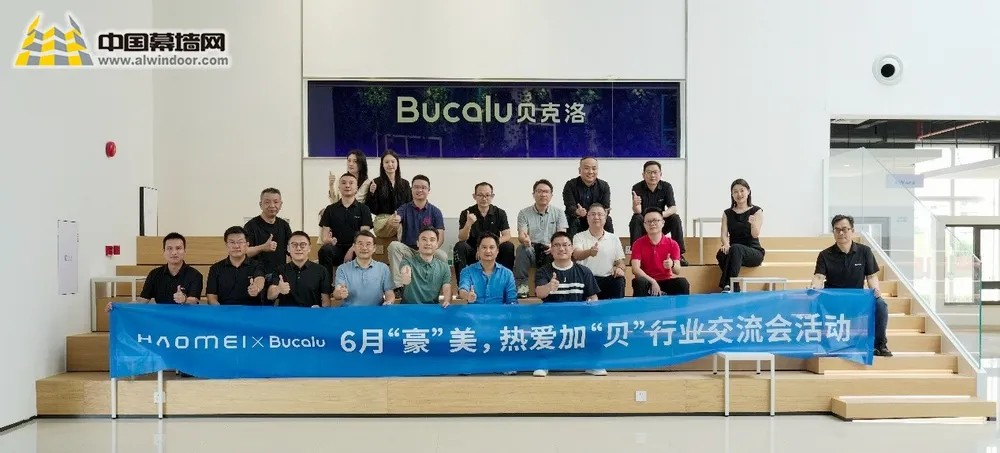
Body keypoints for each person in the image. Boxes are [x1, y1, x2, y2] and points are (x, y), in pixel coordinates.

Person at [809, 215, 892, 357]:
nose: (841, 233)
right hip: (833, 300)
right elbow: (819, 277)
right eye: (837, 230)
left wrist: (875, 289)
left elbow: (871, 276)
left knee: (880, 304)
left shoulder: (865, 251)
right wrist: (814, 288)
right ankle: (825, 344)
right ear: (833, 232)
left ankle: (879, 345)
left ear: (852, 231)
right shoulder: (824, 255)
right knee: (814, 302)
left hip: (857, 299)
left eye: (844, 229)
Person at [532, 231, 603, 378]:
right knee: (539, 325)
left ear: (572, 249)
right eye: (556, 245)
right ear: (551, 250)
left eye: (565, 245)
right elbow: (539, 293)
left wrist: (592, 304)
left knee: (596, 324)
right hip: (552, 320)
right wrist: (549, 287)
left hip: (578, 320)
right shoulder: (544, 271)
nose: (561, 248)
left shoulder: (584, 271)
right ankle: (543, 363)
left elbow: (593, 296)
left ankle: (592, 363)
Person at [104, 232, 202, 312]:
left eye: (178, 248)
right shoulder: (154, 274)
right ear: (163, 251)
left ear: (185, 251)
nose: (174, 252)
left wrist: (184, 299)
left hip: (185, 321)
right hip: (161, 320)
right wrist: (118, 306)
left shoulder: (195, 275)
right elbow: (142, 301)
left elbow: (194, 301)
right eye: (169, 248)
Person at [387, 175, 448, 293]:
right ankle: (399, 287)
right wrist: (396, 219)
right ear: (411, 189)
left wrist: (430, 250)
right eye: (416, 187)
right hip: (409, 251)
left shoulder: (435, 211)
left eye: (423, 187)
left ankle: (436, 288)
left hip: (428, 250)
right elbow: (398, 216)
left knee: (443, 256)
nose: (420, 190)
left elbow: (440, 236)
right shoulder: (404, 208)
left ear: (428, 190)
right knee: (394, 246)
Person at [514, 179, 569, 297]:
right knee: (522, 249)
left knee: (556, 250)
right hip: (532, 248)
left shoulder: (559, 213)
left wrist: (552, 245)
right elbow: (522, 234)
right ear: (533, 194)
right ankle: (522, 287)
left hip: (549, 248)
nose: (543, 194)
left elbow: (561, 236)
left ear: (551, 195)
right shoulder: (524, 213)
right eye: (539, 191)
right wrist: (524, 239)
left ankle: (548, 287)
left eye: (546, 192)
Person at [629, 161, 688, 266]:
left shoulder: (666, 187)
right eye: (649, 172)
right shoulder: (637, 188)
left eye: (655, 172)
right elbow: (638, 211)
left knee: (675, 218)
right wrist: (635, 205)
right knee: (636, 218)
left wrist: (660, 216)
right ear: (643, 175)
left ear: (660, 174)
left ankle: (678, 256)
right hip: (645, 224)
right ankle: (636, 256)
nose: (652, 175)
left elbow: (673, 208)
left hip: (660, 223)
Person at [453, 182, 515, 278]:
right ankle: (463, 284)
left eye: (487, 195)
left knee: (508, 246)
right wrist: (468, 223)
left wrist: (489, 247)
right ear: (474, 196)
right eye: (480, 195)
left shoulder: (500, 213)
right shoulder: (466, 213)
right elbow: (462, 238)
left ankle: (505, 280)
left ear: (492, 196)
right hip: (474, 252)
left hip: (492, 251)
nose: (484, 198)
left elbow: (507, 235)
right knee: (460, 246)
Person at [318, 172, 373, 279]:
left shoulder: (364, 209)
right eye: (343, 183)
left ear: (356, 187)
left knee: (362, 250)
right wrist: (329, 240)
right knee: (324, 251)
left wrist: (352, 249)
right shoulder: (330, 209)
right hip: (336, 248)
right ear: (339, 187)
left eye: (351, 183)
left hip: (356, 248)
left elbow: (364, 237)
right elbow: (324, 237)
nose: (347, 185)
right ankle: (326, 286)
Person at [717, 179, 765, 293]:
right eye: (735, 191)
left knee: (736, 248)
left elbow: (755, 234)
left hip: (753, 251)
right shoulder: (727, 213)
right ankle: (735, 287)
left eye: (742, 190)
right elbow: (724, 234)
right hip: (734, 251)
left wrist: (753, 224)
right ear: (732, 194)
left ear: (748, 191)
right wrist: (726, 244)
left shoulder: (756, 211)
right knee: (721, 254)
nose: (739, 194)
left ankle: (727, 285)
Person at [630, 208, 691, 297]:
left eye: (655, 220)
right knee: (639, 282)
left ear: (663, 223)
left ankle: (681, 307)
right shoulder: (638, 244)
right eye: (648, 221)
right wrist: (652, 281)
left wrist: (672, 264)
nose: (652, 224)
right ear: (644, 225)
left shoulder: (673, 244)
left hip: (665, 281)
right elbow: (635, 269)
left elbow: (677, 271)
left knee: (682, 283)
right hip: (647, 281)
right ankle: (641, 306)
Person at [572, 204, 627, 300]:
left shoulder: (613, 238)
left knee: (619, 280)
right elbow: (576, 255)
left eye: (600, 214)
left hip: (606, 278)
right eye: (593, 214)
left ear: (605, 217)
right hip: (586, 279)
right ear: (587, 217)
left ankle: (616, 308)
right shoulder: (579, 236)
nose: (596, 217)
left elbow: (620, 262)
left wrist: (620, 268)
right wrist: (589, 252)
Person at [267, 231, 331, 308]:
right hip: (286, 314)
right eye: (294, 245)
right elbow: (270, 296)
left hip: (311, 314)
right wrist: (278, 289)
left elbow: (326, 301)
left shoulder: (321, 270)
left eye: (303, 245)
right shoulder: (280, 270)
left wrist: (321, 311)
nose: (298, 248)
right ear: (288, 248)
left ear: (309, 248)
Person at [333, 230, 396, 307]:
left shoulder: (383, 268)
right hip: (350, 312)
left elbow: (389, 292)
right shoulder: (342, 269)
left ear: (374, 248)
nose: (364, 248)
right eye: (360, 244)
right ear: (354, 247)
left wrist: (389, 301)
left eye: (368, 244)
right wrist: (339, 293)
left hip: (376, 311)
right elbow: (337, 292)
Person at [206, 226, 267, 305]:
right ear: (226, 245)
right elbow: (211, 297)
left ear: (247, 244)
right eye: (232, 242)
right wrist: (220, 311)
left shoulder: (257, 265)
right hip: (224, 310)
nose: (236, 246)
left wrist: (256, 288)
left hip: (251, 310)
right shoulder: (216, 268)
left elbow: (260, 279)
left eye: (240, 242)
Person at [458, 233, 518, 305]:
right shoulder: (467, 271)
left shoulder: (507, 274)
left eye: (491, 247)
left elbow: (512, 300)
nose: (488, 251)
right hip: (475, 311)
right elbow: (463, 289)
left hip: (498, 311)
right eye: (484, 247)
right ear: (478, 250)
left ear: (497, 251)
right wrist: (467, 295)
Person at [244, 187, 294, 275]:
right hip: (256, 274)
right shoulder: (250, 226)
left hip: (279, 274)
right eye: (267, 202)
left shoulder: (284, 225)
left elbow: (290, 250)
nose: (272, 205)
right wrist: (263, 247)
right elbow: (244, 252)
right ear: (260, 204)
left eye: (276, 202)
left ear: (281, 204)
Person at [400, 227, 453, 306]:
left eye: (432, 240)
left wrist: (447, 301)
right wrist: (405, 275)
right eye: (424, 239)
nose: (428, 243)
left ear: (437, 244)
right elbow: (405, 269)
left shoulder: (444, 267)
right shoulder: (407, 261)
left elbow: (447, 287)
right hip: (409, 307)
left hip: (432, 308)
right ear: (418, 243)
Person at [365, 150, 412, 238]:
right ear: (382, 165)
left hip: (400, 219)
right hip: (382, 221)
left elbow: (409, 205)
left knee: (401, 223)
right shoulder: (376, 182)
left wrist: (400, 217)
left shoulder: (405, 183)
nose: (390, 164)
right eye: (386, 162)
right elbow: (372, 209)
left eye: (393, 162)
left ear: (397, 163)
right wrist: (372, 193)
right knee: (396, 222)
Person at [563, 157, 614, 237]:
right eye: (586, 168)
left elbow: (605, 206)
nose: (590, 172)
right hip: (578, 218)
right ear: (579, 170)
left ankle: (610, 244)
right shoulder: (570, 185)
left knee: (607, 220)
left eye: (594, 169)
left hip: (595, 218)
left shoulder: (604, 186)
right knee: (572, 220)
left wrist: (598, 213)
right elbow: (569, 206)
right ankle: (572, 245)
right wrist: (577, 212)